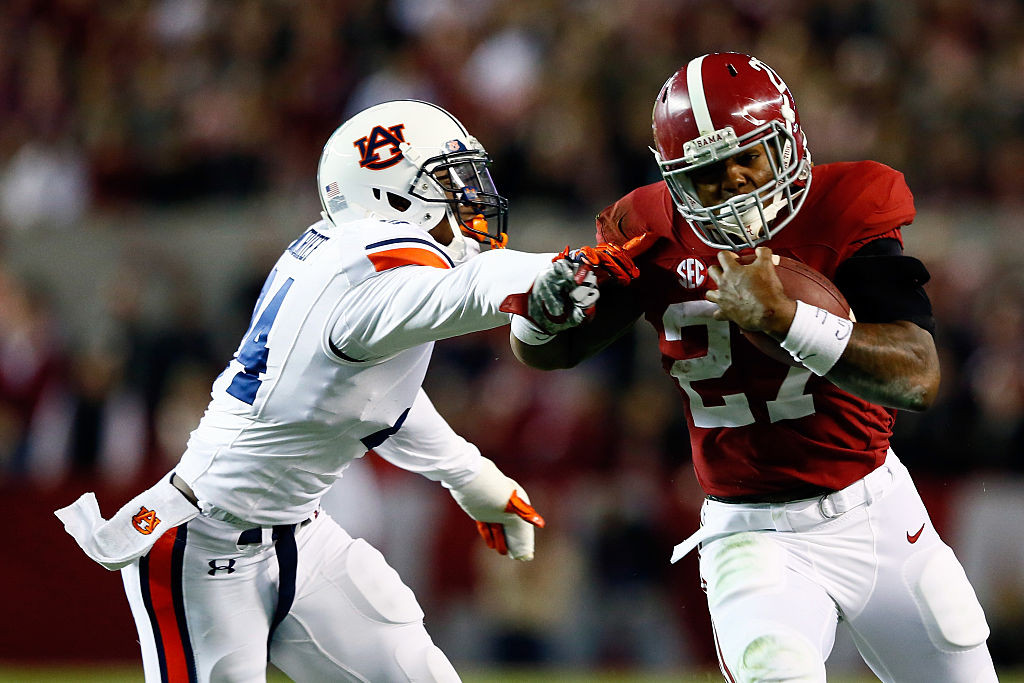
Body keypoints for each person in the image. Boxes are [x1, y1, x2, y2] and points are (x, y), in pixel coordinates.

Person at [54, 99, 636, 683]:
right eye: (449, 179)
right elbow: (474, 286)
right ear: (391, 191)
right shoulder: (366, 274)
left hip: (302, 535)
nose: (470, 195)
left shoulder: (343, 259)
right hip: (204, 545)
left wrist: (471, 477)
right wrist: (547, 274)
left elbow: (374, 402)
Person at [511, 53, 997, 682]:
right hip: (752, 531)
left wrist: (786, 320)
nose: (736, 181)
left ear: (789, 142)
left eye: (749, 157)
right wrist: (539, 319)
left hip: (876, 506)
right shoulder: (648, 231)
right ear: (677, 183)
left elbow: (917, 377)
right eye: (709, 172)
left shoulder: (844, 207)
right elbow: (554, 351)